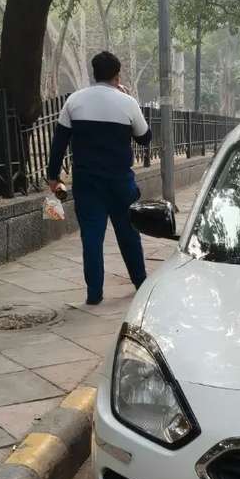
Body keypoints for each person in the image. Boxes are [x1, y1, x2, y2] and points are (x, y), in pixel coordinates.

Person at [47, 51, 152, 305]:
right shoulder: (127, 102)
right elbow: (145, 138)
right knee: (128, 233)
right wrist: (127, 100)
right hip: (120, 182)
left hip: (87, 182)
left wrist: (53, 177)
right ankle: (141, 283)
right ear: (118, 75)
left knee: (91, 237)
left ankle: (94, 294)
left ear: (95, 73)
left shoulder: (75, 100)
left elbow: (59, 143)